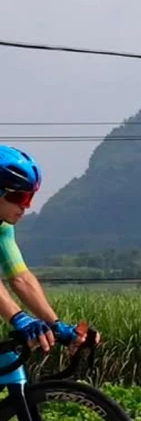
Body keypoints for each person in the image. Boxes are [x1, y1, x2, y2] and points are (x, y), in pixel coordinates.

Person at [0, 146, 92, 353]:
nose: (26, 206)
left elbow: (20, 278)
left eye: (30, 198)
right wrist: (20, 318)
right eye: (19, 197)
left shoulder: (3, 227)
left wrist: (56, 325)